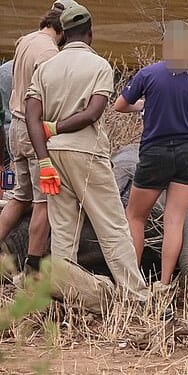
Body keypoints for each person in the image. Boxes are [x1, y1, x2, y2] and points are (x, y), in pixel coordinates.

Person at [24, 4, 150, 304]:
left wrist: (43, 160)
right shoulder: (99, 66)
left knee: (64, 230)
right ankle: (136, 297)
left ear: (63, 34)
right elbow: (92, 113)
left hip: (52, 158)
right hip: (86, 153)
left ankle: (66, 297)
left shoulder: (45, 68)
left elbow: (31, 118)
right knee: (112, 226)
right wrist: (56, 128)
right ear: (90, 33)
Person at [113, 20, 188, 289]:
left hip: (155, 153)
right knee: (174, 219)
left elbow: (119, 106)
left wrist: (145, 107)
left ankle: (132, 283)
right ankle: (164, 282)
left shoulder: (148, 75)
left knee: (135, 216)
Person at [0, 1, 76, 281]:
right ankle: (32, 267)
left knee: (19, 196)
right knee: (43, 201)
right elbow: (50, 96)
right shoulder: (48, 52)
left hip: (15, 128)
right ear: (62, 29)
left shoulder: (26, 40)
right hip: (33, 131)